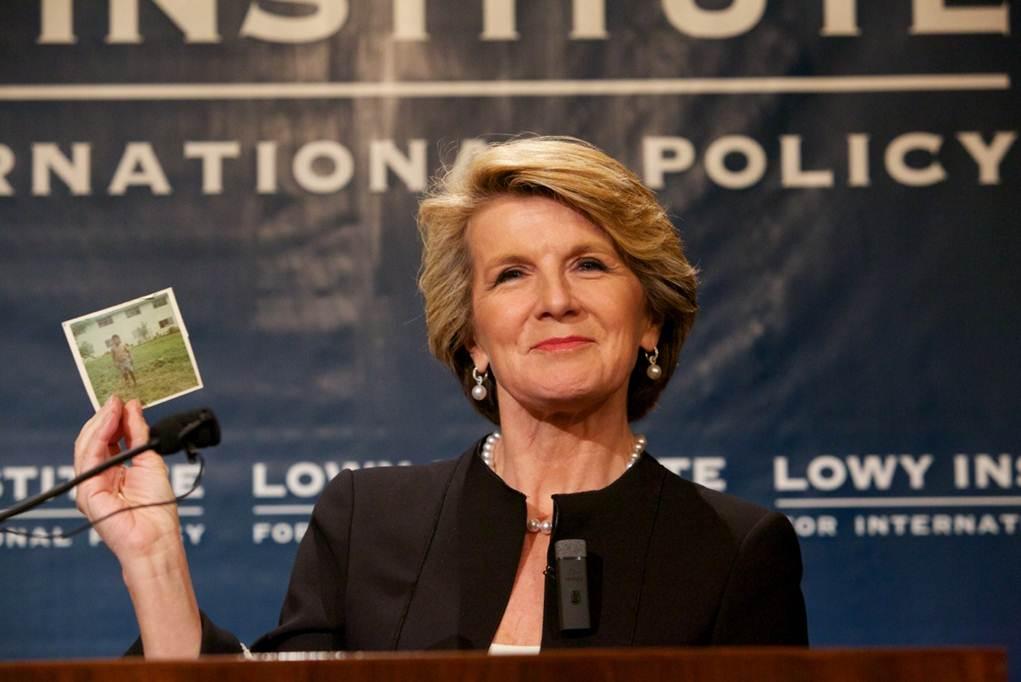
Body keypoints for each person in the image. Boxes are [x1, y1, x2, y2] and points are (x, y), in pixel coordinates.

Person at [73, 136, 807, 658]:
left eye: (589, 265)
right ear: (473, 338)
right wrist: (154, 557)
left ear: (649, 317)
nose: (555, 300)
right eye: (511, 275)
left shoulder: (734, 550)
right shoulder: (366, 521)